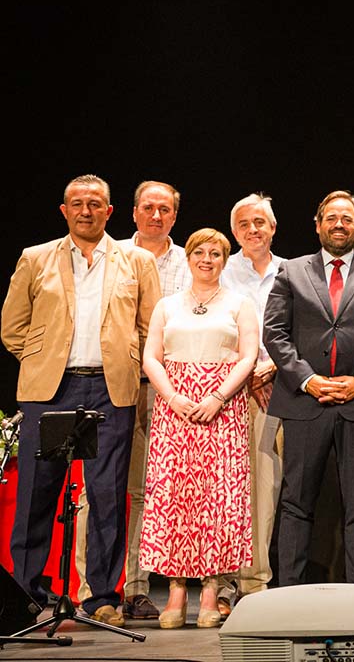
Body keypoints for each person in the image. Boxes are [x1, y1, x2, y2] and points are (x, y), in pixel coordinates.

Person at [0, 174, 161, 628]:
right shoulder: (36, 258)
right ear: (64, 210)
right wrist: (44, 359)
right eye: (77, 203)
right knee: (37, 493)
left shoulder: (135, 261)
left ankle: (103, 597)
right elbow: (12, 327)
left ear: (110, 212)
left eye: (95, 203)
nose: (86, 210)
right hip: (50, 390)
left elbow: (151, 327)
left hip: (112, 390)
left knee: (108, 494)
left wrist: (131, 363)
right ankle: (27, 595)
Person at [263, 190, 354, 586]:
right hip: (304, 401)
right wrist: (308, 380)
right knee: (295, 503)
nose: (339, 224)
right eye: (331, 217)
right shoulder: (292, 271)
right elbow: (274, 333)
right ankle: (288, 591)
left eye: (347, 219)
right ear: (318, 223)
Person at [73, 180, 191, 621]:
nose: (156, 216)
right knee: (97, 489)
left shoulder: (190, 260)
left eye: (165, 209)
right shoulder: (111, 254)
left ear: (174, 216)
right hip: (114, 384)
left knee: (143, 492)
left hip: (167, 388)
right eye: (148, 208)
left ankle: (134, 586)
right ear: (133, 212)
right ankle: (91, 588)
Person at [139, 228, 259, 628]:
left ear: (225, 261)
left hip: (221, 406)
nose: (206, 259)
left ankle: (210, 589)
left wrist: (218, 397)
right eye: (199, 253)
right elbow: (151, 357)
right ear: (188, 258)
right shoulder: (167, 305)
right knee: (174, 499)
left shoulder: (239, 304)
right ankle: (175, 591)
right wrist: (173, 397)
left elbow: (248, 356)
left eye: (215, 253)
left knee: (219, 499)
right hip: (175, 408)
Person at [217, 193, 287, 613]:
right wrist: (242, 374)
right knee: (226, 489)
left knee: (266, 488)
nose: (253, 230)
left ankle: (255, 583)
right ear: (234, 230)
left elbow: (303, 330)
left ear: (273, 228)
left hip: (277, 388)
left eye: (260, 222)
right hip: (229, 391)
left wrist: (272, 367)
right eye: (244, 223)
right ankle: (223, 581)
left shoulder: (294, 272)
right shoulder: (219, 270)